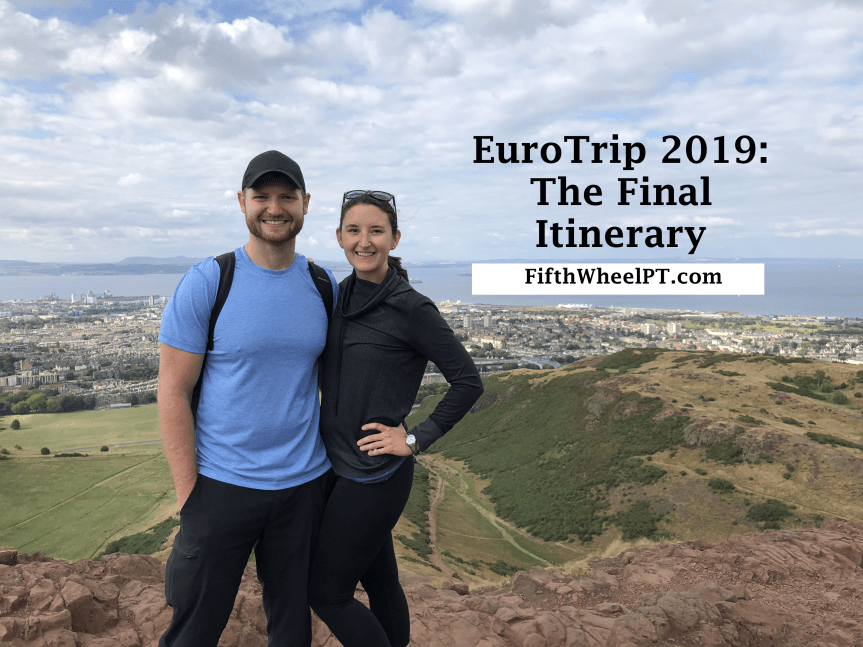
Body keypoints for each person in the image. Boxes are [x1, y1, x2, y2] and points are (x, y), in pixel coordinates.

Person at [157, 150, 336, 647]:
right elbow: (172, 390)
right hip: (222, 485)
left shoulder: (323, 286)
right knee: (195, 628)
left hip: (303, 486)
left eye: (287, 197)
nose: (274, 208)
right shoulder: (209, 282)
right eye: (262, 196)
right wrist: (189, 497)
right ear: (242, 202)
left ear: (305, 204)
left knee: (292, 629)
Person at [309, 190, 483, 646]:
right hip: (334, 465)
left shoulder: (411, 307)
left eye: (376, 231)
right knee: (381, 580)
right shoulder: (336, 295)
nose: (364, 241)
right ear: (339, 237)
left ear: (395, 238)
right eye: (353, 230)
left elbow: (468, 382)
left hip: (374, 473)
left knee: (326, 594)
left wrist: (414, 438)